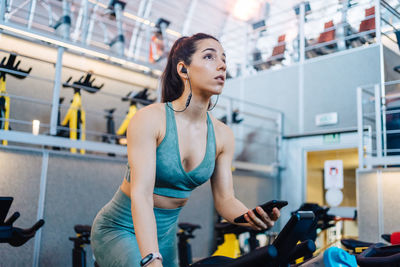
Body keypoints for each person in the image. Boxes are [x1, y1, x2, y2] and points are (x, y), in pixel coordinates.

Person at [90, 33, 281, 267]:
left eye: (224, 58)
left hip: (165, 236)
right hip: (120, 229)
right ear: (183, 69)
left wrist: (251, 218)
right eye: (210, 56)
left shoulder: (223, 135)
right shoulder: (150, 119)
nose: (222, 64)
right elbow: (141, 194)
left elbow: (225, 200)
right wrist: (151, 257)